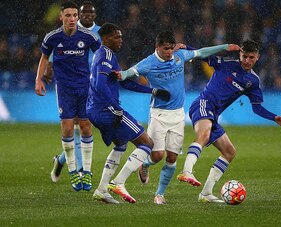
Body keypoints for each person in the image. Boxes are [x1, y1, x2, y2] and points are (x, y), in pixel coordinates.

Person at [114, 30, 241, 204]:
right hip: (158, 114)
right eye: (165, 49)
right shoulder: (149, 63)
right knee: (157, 155)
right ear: (157, 47)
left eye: (171, 48)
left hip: (178, 114)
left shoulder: (179, 55)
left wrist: (225, 47)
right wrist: (121, 74)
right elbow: (130, 72)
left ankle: (159, 195)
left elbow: (202, 52)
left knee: (172, 157)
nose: (169, 52)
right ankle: (145, 165)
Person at [176, 40, 281, 203]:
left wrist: (273, 117)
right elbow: (202, 56)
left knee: (229, 152)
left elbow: (257, 108)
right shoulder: (226, 64)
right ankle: (187, 171)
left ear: (257, 57)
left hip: (214, 115)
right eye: (244, 56)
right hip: (203, 103)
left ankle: (205, 193)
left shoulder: (253, 81)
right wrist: (188, 48)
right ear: (239, 55)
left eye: (251, 57)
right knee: (204, 134)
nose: (247, 61)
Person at [86, 23, 171, 204]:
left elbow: (123, 83)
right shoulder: (105, 56)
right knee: (147, 143)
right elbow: (100, 85)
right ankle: (118, 182)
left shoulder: (105, 56)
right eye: (117, 37)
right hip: (105, 108)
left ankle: (102, 189)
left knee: (121, 144)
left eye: (121, 37)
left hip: (95, 109)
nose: (121, 40)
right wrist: (114, 107)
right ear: (106, 38)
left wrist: (152, 91)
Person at [35, 1, 101, 191]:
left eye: (75, 15)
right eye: (69, 15)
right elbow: (44, 58)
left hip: (85, 87)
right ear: (61, 17)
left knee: (87, 127)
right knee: (67, 129)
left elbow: (102, 55)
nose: (72, 19)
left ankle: (86, 173)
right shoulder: (52, 37)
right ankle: (73, 172)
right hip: (64, 88)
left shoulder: (89, 36)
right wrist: (38, 79)